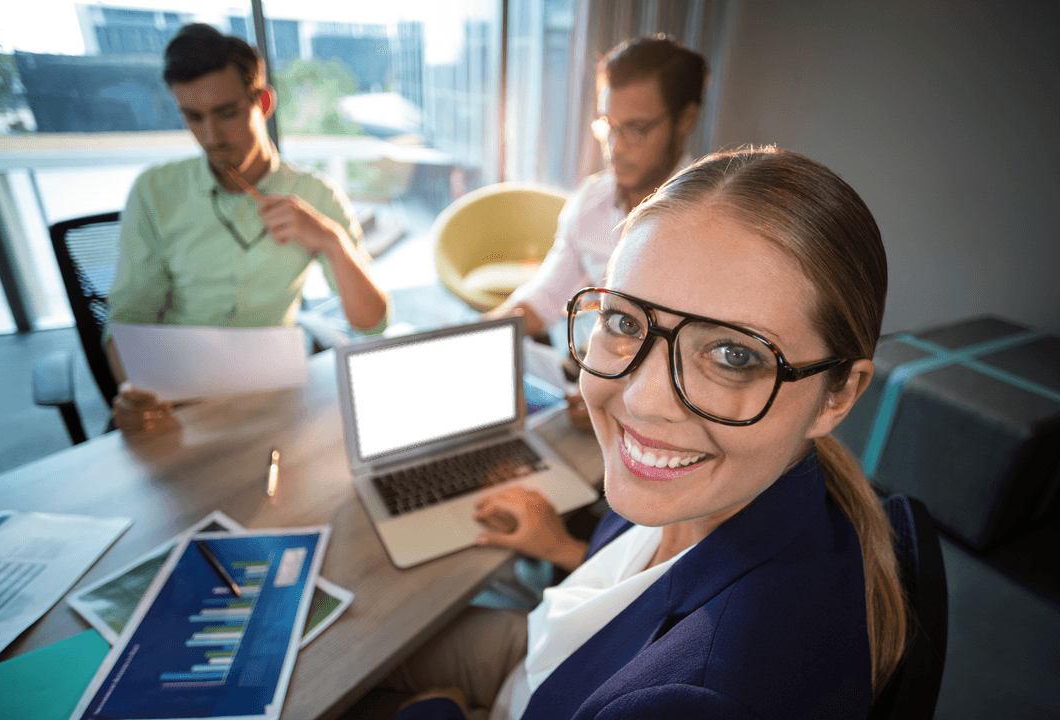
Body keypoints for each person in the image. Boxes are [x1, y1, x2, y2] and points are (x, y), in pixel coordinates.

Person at [387, 147, 909, 720]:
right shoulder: (724, 488)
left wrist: (433, 711)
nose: (640, 399)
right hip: (555, 655)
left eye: (734, 355)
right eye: (624, 322)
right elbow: (654, 592)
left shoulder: (695, 699)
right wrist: (560, 547)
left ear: (837, 395)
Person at [106, 23, 388, 433]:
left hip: (270, 398)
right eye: (193, 117)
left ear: (264, 102)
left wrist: (331, 240)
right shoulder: (155, 191)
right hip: (179, 397)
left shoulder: (316, 194)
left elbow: (371, 322)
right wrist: (132, 387)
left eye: (227, 113)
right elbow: (130, 316)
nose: (211, 137)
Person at [492, 35, 708, 431]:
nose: (615, 147)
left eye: (636, 129)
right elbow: (545, 298)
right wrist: (475, 340)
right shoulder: (591, 200)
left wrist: (617, 405)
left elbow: (699, 362)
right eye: (607, 125)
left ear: (686, 120)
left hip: (657, 411)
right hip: (581, 379)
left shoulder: (709, 223)